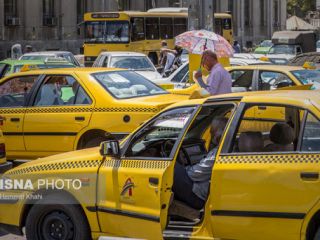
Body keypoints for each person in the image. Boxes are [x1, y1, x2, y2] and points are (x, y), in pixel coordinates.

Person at [172, 116, 228, 210]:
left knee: (170, 168)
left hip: (199, 197)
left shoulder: (219, 153)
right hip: (206, 192)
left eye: (213, 131)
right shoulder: (227, 149)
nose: (211, 134)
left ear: (221, 134)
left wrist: (183, 168)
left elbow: (193, 174)